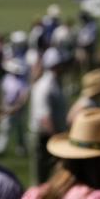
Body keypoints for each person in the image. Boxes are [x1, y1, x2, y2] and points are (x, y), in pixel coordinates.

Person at [28, 47, 67, 184]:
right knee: (41, 179)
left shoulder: (53, 83)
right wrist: (57, 139)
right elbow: (45, 118)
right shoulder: (46, 86)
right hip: (45, 137)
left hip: (50, 136)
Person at [0, 58, 29, 157]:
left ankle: (22, 149)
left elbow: (23, 97)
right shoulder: (7, 78)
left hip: (18, 108)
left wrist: (16, 107)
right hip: (7, 106)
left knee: (20, 130)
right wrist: (3, 106)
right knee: (5, 128)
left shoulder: (23, 81)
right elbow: (3, 93)